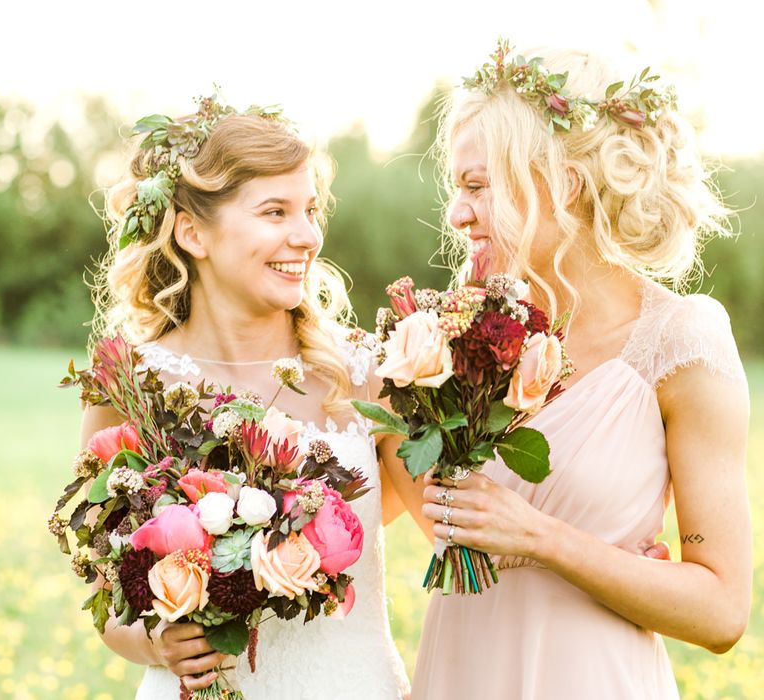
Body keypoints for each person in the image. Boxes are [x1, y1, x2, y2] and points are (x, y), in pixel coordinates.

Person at [413, 41, 752, 699]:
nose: (457, 214)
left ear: (562, 185)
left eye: (477, 186)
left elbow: (722, 612)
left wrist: (544, 539)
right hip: (459, 670)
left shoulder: (679, 342)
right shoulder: (462, 333)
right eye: (458, 188)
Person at [81, 97, 419, 698]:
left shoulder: (363, 374)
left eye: (310, 210)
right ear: (192, 233)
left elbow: (449, 521)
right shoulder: (134, 383)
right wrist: (154, 643)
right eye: (274, 212)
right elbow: (105, 598)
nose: (307, 236)